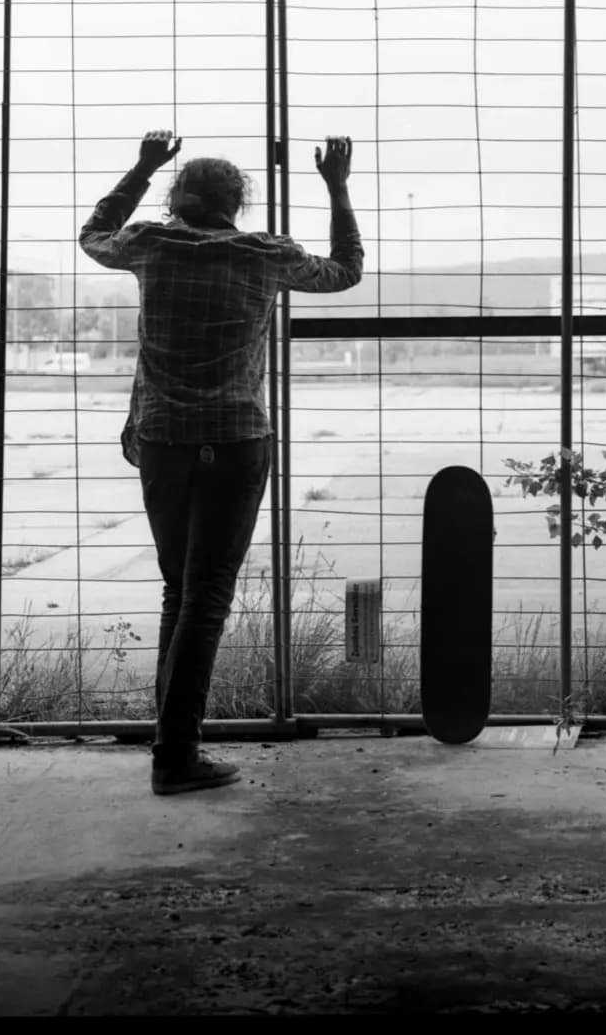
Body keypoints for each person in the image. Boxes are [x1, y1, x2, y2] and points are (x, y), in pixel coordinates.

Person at [80, 131, 363, 795]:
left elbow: (94, 233)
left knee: (180, 592)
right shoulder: (266, 255)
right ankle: (175, 755)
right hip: (236, 438)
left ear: (178, 196)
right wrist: (337, 186)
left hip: (164, 439)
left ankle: (169, 746)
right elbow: (346, 269)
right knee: (205, 597)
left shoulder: (149, 245)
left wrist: (143, 167)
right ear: (239, 202)